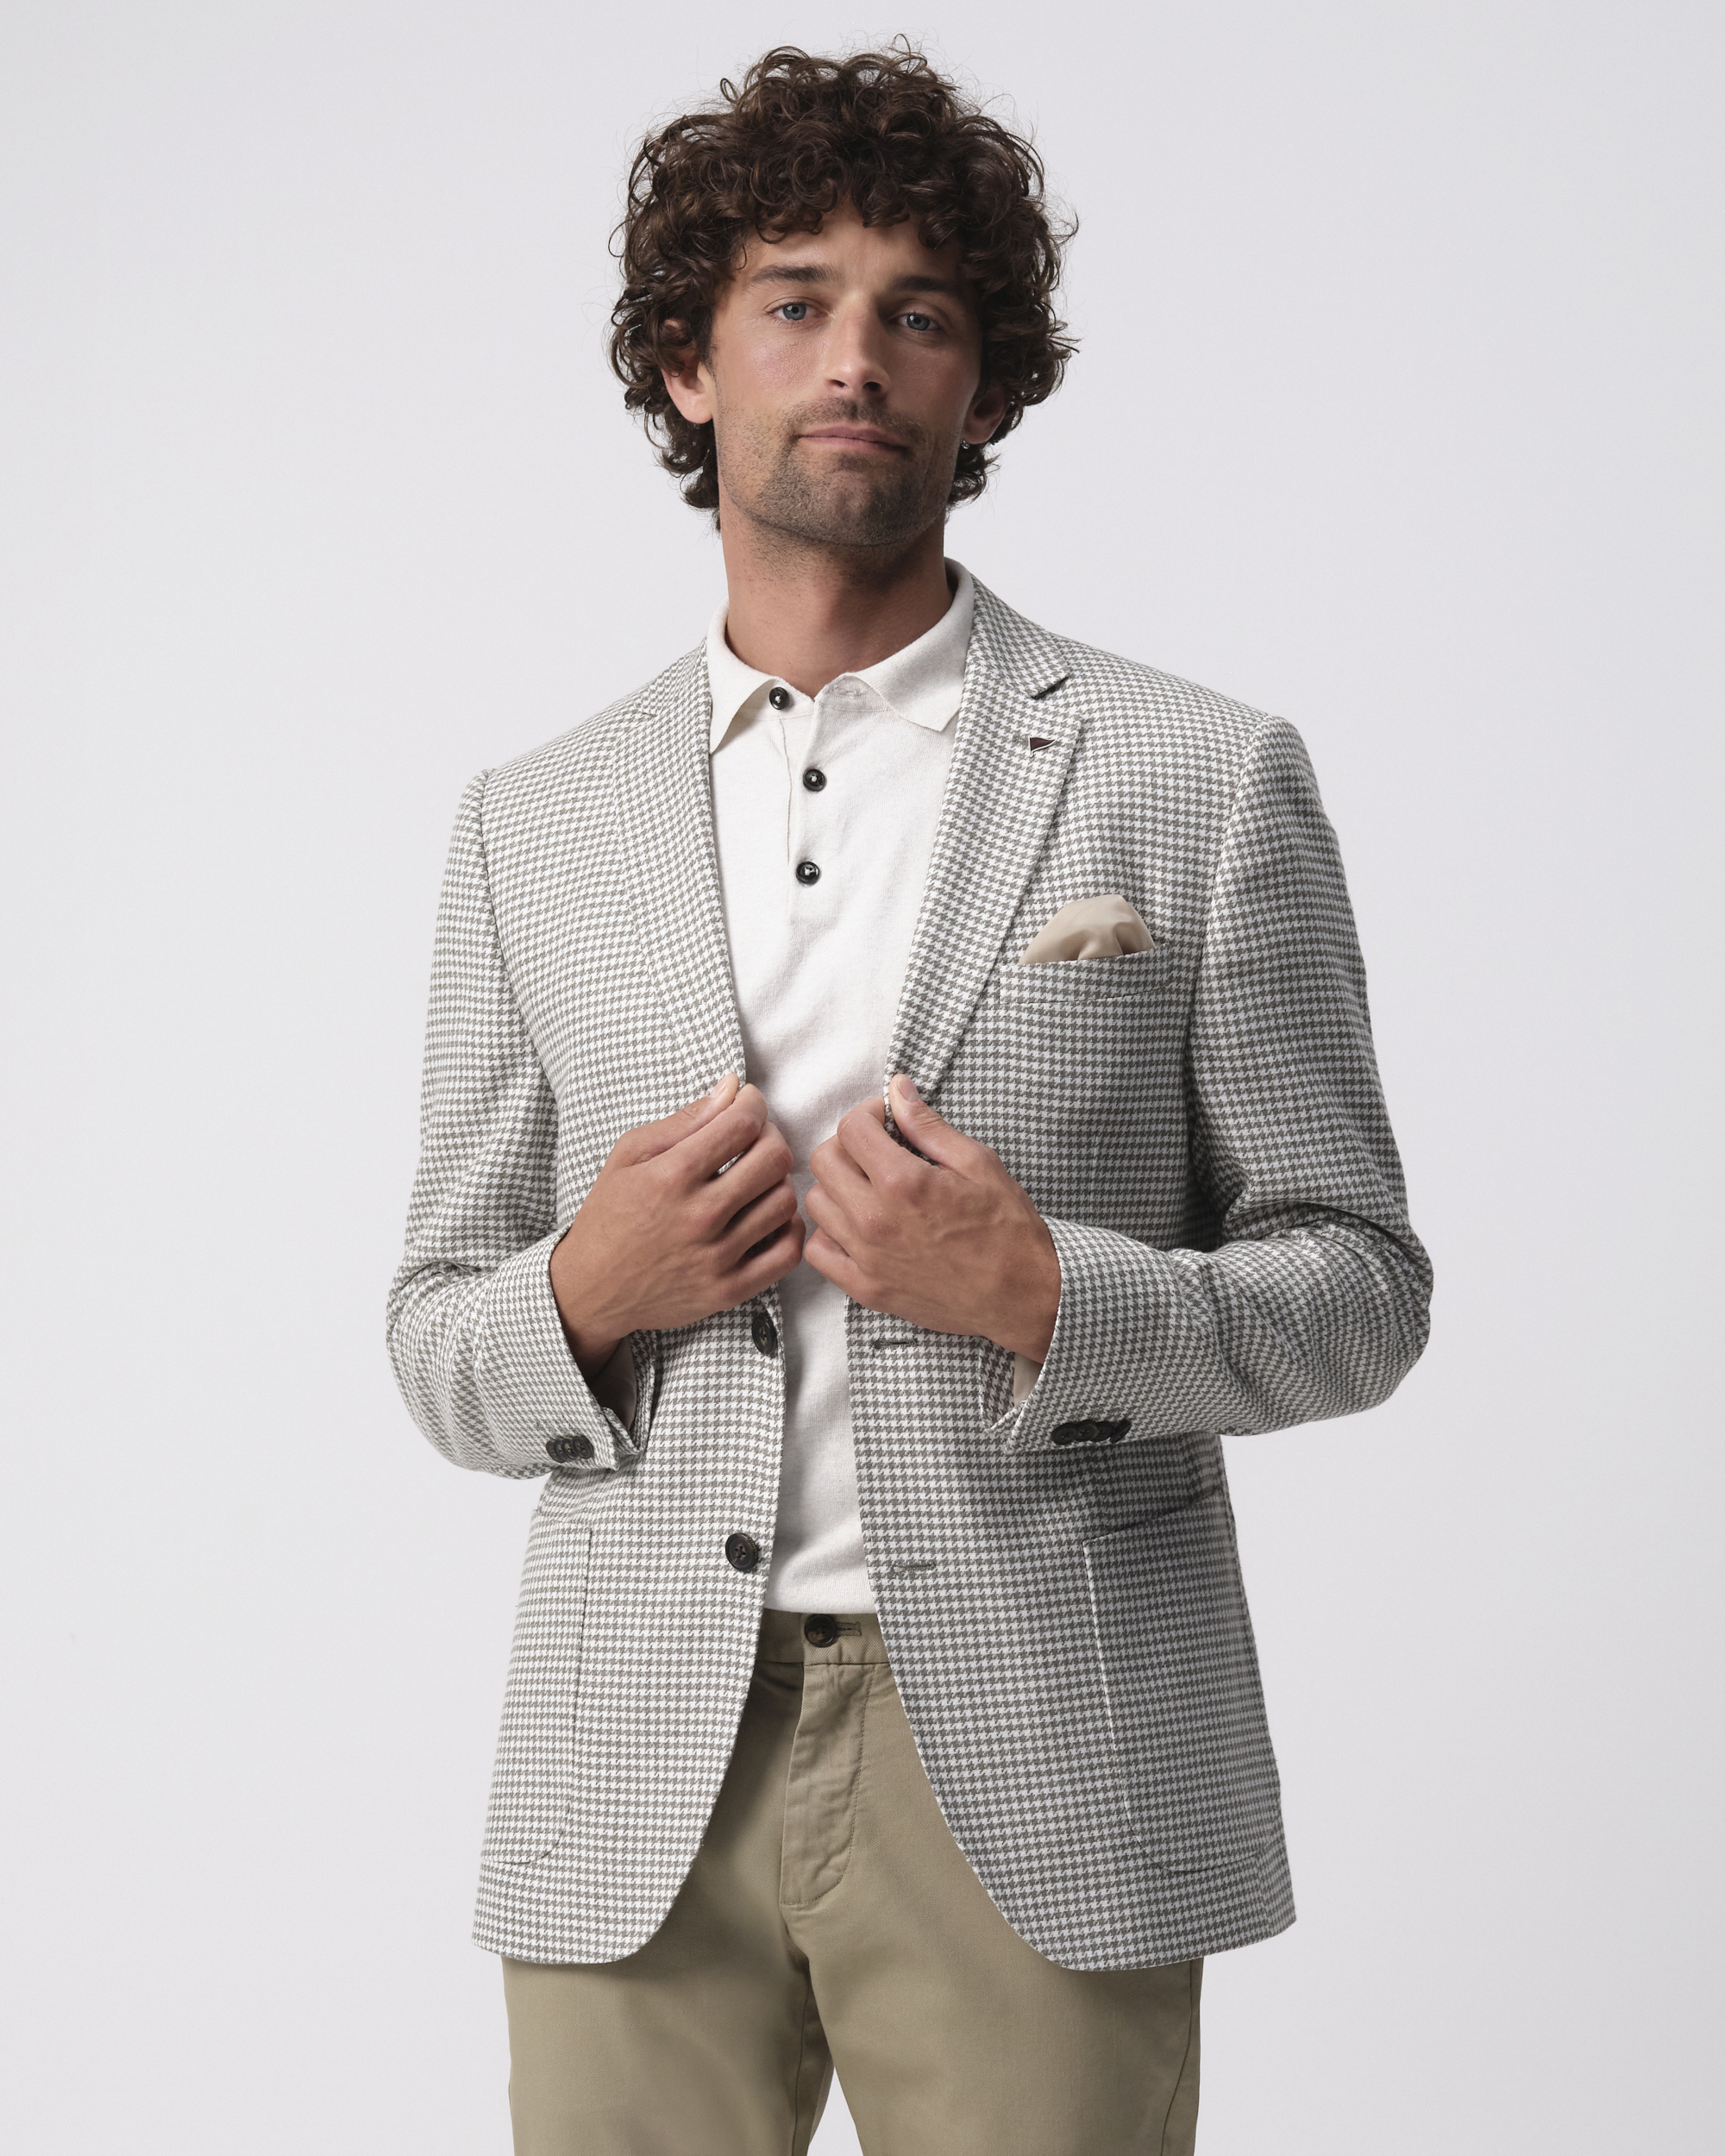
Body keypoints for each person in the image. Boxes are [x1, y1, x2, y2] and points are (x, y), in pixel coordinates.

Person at [387, 42, 1431, 2156]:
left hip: (1052, 1749)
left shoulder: (1194, 774)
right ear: (688, 365)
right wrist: (583, 1289)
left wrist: (1049, 1293)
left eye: (918, 312)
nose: (855, 356)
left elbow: (1361, 1287)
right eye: (794, 301)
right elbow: (433, 1332)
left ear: (984, 387)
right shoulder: (532, 820)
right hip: (633, 1766)